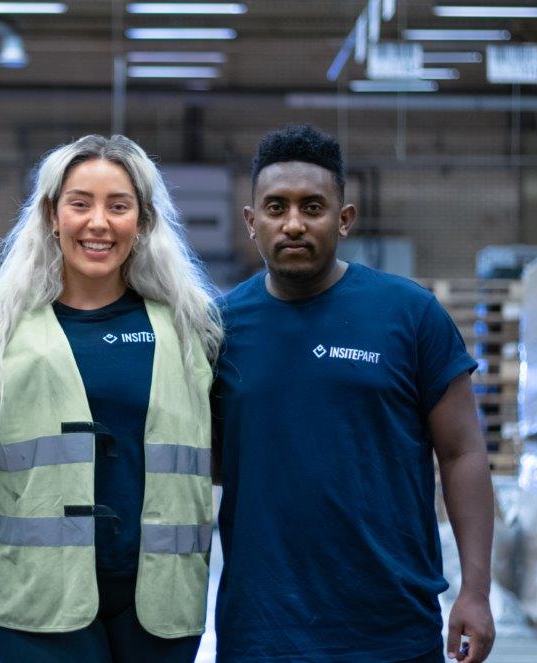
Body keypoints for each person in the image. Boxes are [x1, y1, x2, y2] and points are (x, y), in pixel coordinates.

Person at [212, 124, 496, 663]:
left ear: (344, 220)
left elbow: (463, 453)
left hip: (389, 626)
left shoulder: (410, 316)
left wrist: (476, 592)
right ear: (251, 223)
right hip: (262, 631)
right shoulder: (218, 329)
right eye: (276, 208)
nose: (293, 224)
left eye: (312, 207)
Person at [0, 134, 222, 662]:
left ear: (143, 221)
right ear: (51, 214)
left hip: (160, 598)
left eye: (119, 206)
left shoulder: (191, 326)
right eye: (80, 203)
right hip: (38, 595)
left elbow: (226, 456)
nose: (99, 223)